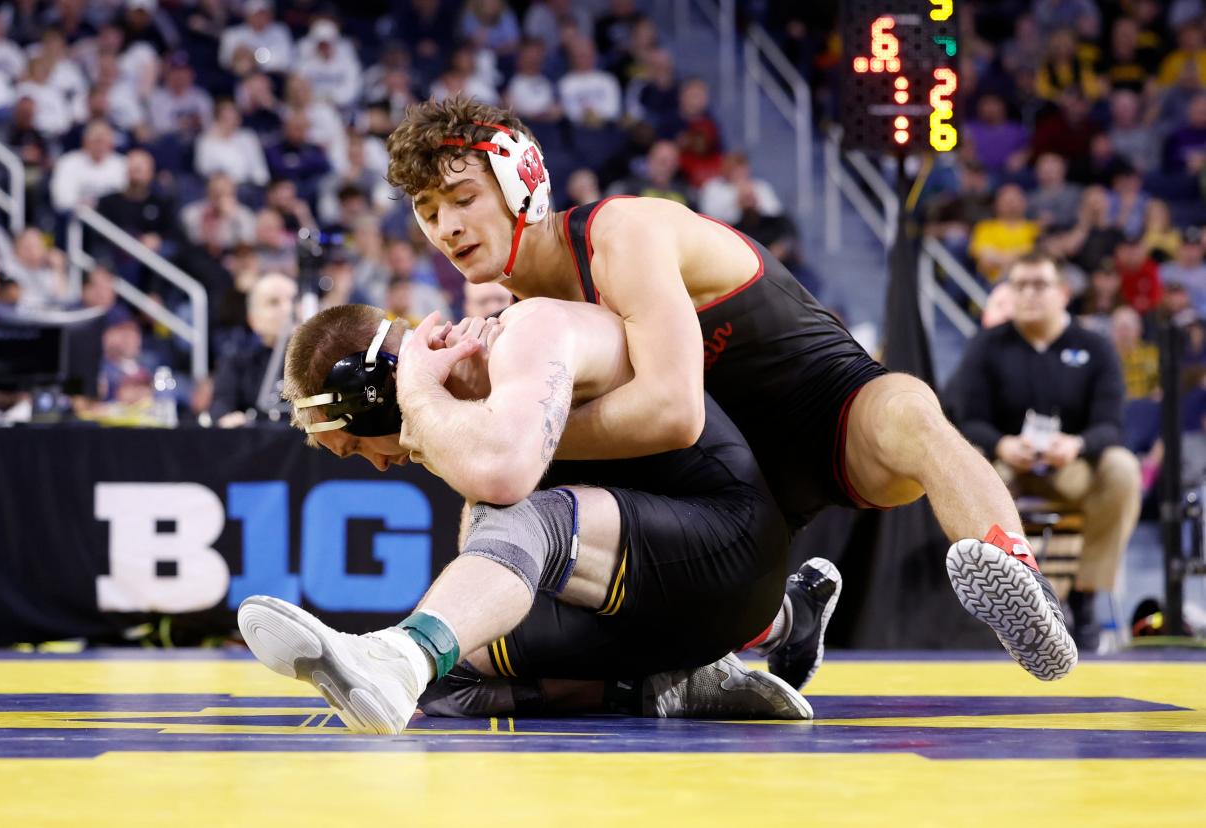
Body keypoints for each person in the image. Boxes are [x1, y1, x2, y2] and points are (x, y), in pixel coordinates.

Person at [381, 99, 1078, 681]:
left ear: (522, 181)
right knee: (541, 500)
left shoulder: (620, 234)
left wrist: (520, 433)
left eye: (463, 198)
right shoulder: (515, 324)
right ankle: (787, 617)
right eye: (426, 209)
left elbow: (672, 411)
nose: (446, 226)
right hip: (733, 473)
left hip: (822, 411)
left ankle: (1014, 568)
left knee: (909, 411)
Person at [241, 300, 832, 732]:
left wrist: (420, 395)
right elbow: (489, 541)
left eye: (357, 446)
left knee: (533, 525)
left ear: (374, 389)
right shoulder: (467, 410)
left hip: (732, 544)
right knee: (457, 670)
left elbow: (507, 488)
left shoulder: (521, 339)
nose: (375, 465)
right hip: (661, 584)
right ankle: (669, 688)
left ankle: (400, 658)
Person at [951, 252, 1141, 652]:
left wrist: (1077, 444)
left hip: (1071, 467)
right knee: (965, 476)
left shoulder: (1095, 346)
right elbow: (966, 420)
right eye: (1019, 285)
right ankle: (999, 603)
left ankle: (1085, 596)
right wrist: (1002, 443)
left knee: (1123, 468)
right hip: (1007, 467)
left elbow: (1112, 425)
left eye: (1039, 285)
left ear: (1063, 293)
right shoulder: (987, 346)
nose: (1028, 294)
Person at [210, 272, 297, 427]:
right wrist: (229, 419)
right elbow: (221, 408)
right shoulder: (237, 362)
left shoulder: (323, 360)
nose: (288, 309)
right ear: (253, 319)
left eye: (294, 300)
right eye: (274, 302)